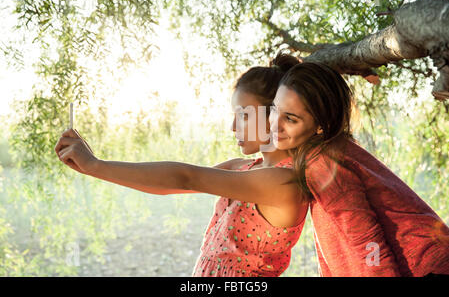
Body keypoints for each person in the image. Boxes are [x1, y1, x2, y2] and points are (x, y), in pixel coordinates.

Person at [54, 54, 310, 277]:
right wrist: (94, 164)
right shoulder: (241, 168)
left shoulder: (283, 183)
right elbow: (169, 184)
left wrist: (96, 165)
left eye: (243, 115)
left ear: (275, 115)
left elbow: (185, 177)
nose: (233, 127)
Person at [268, 61, 449, 277]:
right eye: (273, 110)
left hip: (424, 268)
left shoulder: (322, 163)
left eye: (290, 118)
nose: (274, 123)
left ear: (320, 126)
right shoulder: (329, 151)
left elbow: (368, 243)